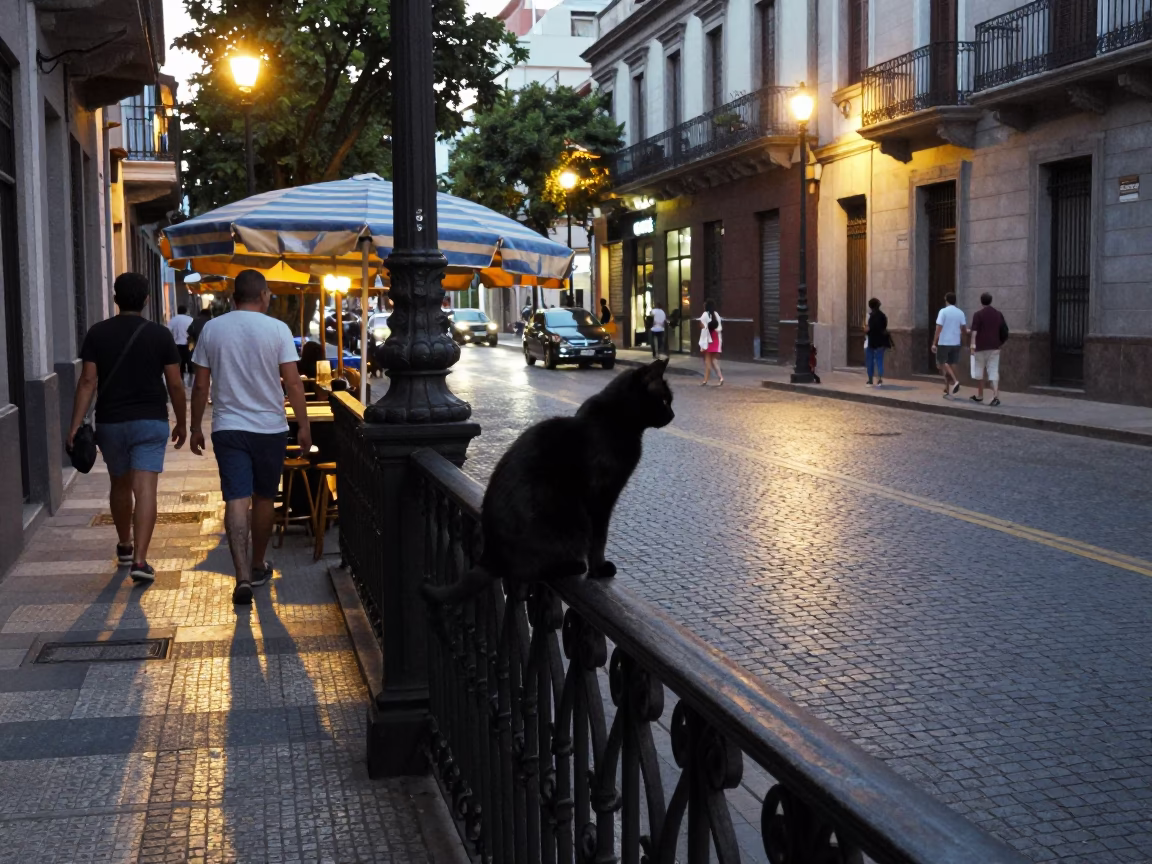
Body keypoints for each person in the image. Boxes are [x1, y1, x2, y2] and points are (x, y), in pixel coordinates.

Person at [190, 269, 312, 605]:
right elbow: (293, 383)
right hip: (270, 428)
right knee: (263, 498)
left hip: (228, 427)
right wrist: (303, 425)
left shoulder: (212, 329)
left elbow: (201, 385)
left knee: (235, 498)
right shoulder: (278, 329)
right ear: (263, 295)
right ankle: (258, 564)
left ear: (233, 297)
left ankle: (241, 575)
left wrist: (195, 426)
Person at [67, 272, 187, 584]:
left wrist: (75, 423)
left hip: (111, 423)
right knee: (145, 488)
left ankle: (124, 546)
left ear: (116, 298)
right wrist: (184, 422)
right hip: (150, 421)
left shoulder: (97, 334)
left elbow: (88, 382)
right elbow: (175, 384)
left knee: (119, 483)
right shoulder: (160, 335)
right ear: (147, 300)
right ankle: (140, 560)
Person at [969, 292, 1006, 407]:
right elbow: (1004, 331)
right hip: (994, 347)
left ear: (981, 301)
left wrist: (972, 346)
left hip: (980, 347)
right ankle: (995, 396)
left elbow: (974, 332)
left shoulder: (978, 315)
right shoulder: (998, 314)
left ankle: (980, 395)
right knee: (993, 370)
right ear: (991, 300)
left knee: (979, 370)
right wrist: (1000, 342)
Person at [932, 292, 966, 397]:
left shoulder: (943, 312)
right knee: (951, 364)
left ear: (946, 300)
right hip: (956, 342)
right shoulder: (960, 312)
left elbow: (939, 327)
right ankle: (947, 389)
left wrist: (934, 342)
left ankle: (955, 381)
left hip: (944, 342)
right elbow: (964, 328)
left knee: (942, 363)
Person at [864, 298, 891, 387]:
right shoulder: (883, 316)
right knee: (879, 360)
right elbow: (884, 327)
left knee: (870, 361)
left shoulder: (870, 316)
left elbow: (868, 329)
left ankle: (870, 380)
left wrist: (866, 331)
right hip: (881, 341)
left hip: (872, 341)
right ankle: (879, 379)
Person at [698, 299, 724, 386]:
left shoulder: (705, 314)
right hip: (716, 338)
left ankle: (705, 380)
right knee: (714, 360)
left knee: (708, 361)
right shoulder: (716, 314)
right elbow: (719, 326)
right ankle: (721, 378)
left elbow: (702, 326)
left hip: (708, 339)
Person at [167, 305, 194, 386]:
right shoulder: (190, 319)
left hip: (177, 345)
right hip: (189, 345)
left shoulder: (173, 320)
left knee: (180, 363)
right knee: (190, 362)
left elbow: (168, 331)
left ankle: (181, 382)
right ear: (186, 311)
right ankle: (190, 382)